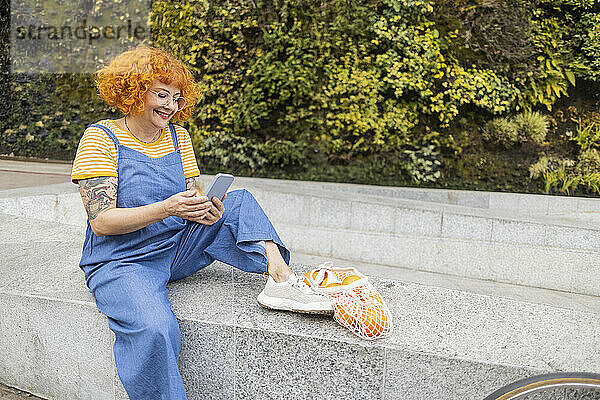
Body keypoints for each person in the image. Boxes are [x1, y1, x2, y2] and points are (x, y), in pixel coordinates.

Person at [70, 45, 332, 400]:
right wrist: (167, 208)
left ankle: (281, 280)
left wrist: (206, 211)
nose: (171, 106)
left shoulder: (179, 137)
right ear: (133, 91)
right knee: (155, 329)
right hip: (123, 261)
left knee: (237, 201)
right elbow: (101, 222)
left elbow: (191, 198)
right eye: (161, 95)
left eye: (177, 98)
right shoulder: (101, 138)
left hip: (175, 247)